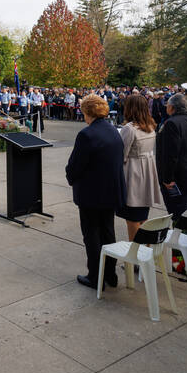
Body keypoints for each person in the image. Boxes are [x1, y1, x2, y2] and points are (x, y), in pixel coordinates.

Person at [65, 94, 126, 290]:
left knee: (91, 235)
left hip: (91, 194)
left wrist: (70, 177)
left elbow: (75, 165)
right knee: (108, 232)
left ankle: (95, 276)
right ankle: (110, 273)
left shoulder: (87, 134)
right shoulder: (113, 130)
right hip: (111, 191)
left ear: (87, 111)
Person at [117, 93, 160, 240]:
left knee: (133, 216)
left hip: (134, 171)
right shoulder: (150, 125)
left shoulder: (130, 128)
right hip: (147, 169)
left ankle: (135, 255)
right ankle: (143, 250)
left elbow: (121, 154)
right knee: (142, 214)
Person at [155, 93, 187, 217]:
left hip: (177, 177)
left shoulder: (171, 124)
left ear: (172, 107)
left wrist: (168, 178)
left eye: (167, 105)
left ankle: (182, 235)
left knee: (178, 214)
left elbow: (171, 154)